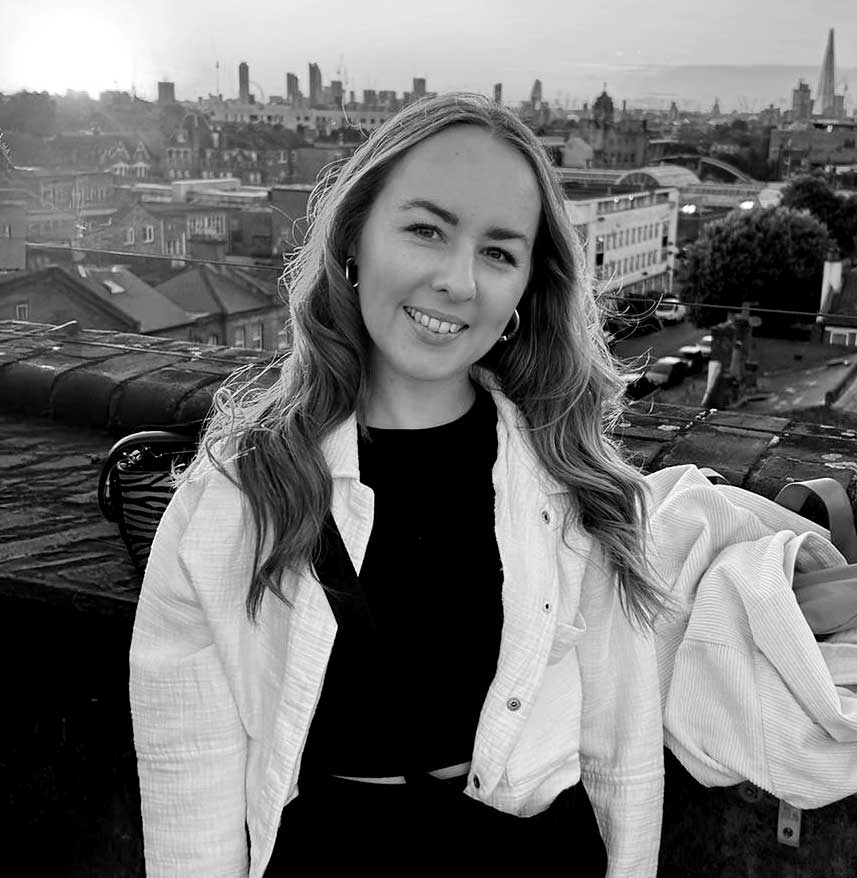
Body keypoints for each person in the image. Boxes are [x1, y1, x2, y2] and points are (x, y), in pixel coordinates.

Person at [129, 92, 856, 878]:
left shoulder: (566, 483)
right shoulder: (238, 491)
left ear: (524, 290)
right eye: (425, 230)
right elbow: (188, 772)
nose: (457, 280)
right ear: (353, 240)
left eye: (499, 253)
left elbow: (623, 739)